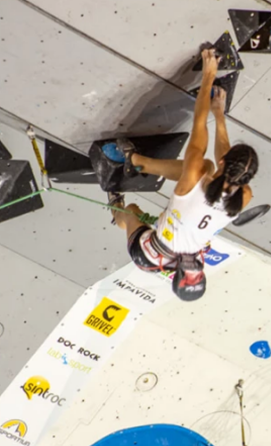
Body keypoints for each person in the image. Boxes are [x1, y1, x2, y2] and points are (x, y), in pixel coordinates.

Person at [108, 48, 259, 301]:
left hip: (149, 254)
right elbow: (222, 163)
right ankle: (137, 162)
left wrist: (208, 75)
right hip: (178, 245)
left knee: (131, 211)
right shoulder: (241, 196)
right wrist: (219, 114)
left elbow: (199, 122)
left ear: (226, 162)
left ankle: (117, 204)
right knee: (205, 169)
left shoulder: (234, 191)